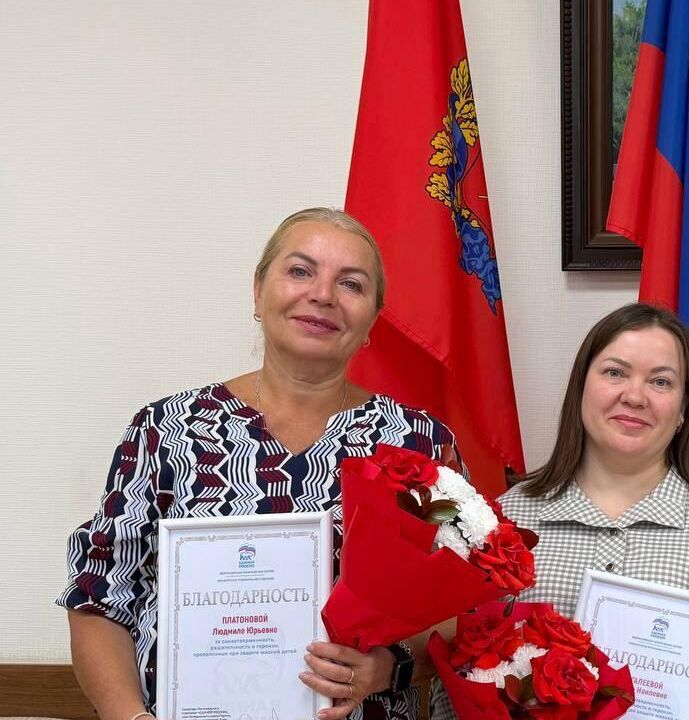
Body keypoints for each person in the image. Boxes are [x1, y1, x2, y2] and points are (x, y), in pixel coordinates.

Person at [58, 208, 463, 720]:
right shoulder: (165, 429)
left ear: (372, 320)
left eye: (351, 284)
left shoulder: (418, 444)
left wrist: (385, 667)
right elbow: (100, 595)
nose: (323, 294)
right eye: (300, 271)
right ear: (257, 291)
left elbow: (460, 610)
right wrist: (129, 717)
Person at [432, 303, 689, 719]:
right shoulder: (505, 521)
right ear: (581, 387)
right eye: (615, 372)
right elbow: (460, 668)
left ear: (683, 409)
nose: (635, 396)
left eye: (661, 381)